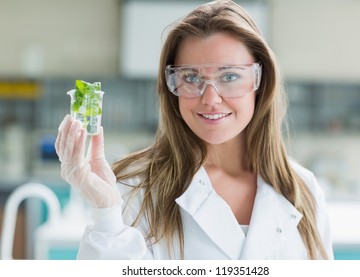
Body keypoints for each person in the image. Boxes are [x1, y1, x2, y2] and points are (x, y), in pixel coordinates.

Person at [55, 0, 334, 260]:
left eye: (230, 76)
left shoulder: (303, 189)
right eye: (191, 77)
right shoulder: (132, 189)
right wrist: (106, 215)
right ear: (171, 87)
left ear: (260, 81)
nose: (210, 98)